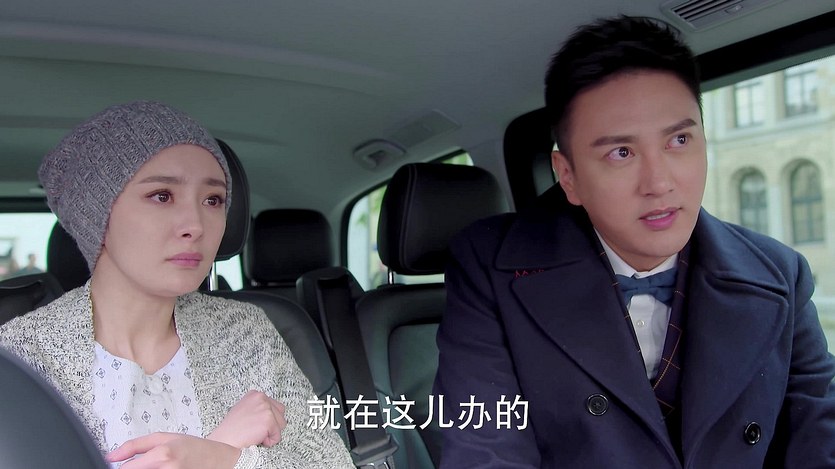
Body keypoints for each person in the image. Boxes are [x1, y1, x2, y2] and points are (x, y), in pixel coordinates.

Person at [434, 16, 835, 468]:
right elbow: (486, 450)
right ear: (568, 176)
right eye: (621, 152)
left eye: (679, 140)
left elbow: (820, 436)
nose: (660, 183)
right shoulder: (490, 269)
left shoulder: (780, 275)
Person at [0, 101, 354, 469]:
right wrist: (221, 448)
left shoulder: (244, 332)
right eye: (162, 196)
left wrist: (230, 459)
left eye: (213, 200)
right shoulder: (19, 356)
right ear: (98, 214)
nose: (196, 225)